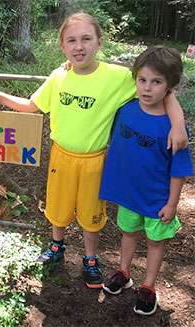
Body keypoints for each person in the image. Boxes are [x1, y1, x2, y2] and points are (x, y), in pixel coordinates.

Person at [0, 13, 189, 288]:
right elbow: (30, 105)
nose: (79, 47)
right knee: (58, 206)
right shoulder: (59, 76)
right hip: (60, 156)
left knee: (90, 212)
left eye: (86, 39)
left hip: (94, 160)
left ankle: (90, 259)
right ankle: (56, 247)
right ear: (62, 46)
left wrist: (178, 123)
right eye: (71, 40)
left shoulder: (117, 77)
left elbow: (160, 85)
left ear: (99, 42)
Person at [100, 46, 193, 315]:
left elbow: (179, 169)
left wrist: (172, 204)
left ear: (170, 86)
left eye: (157, 82)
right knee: (128, 234)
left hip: (157, 200)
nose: (147, 88)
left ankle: (149, 286)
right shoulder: (124, 109)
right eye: (142, 80)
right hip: (129, 195)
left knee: (155, 242)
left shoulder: (174, 128)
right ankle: (123, 272)